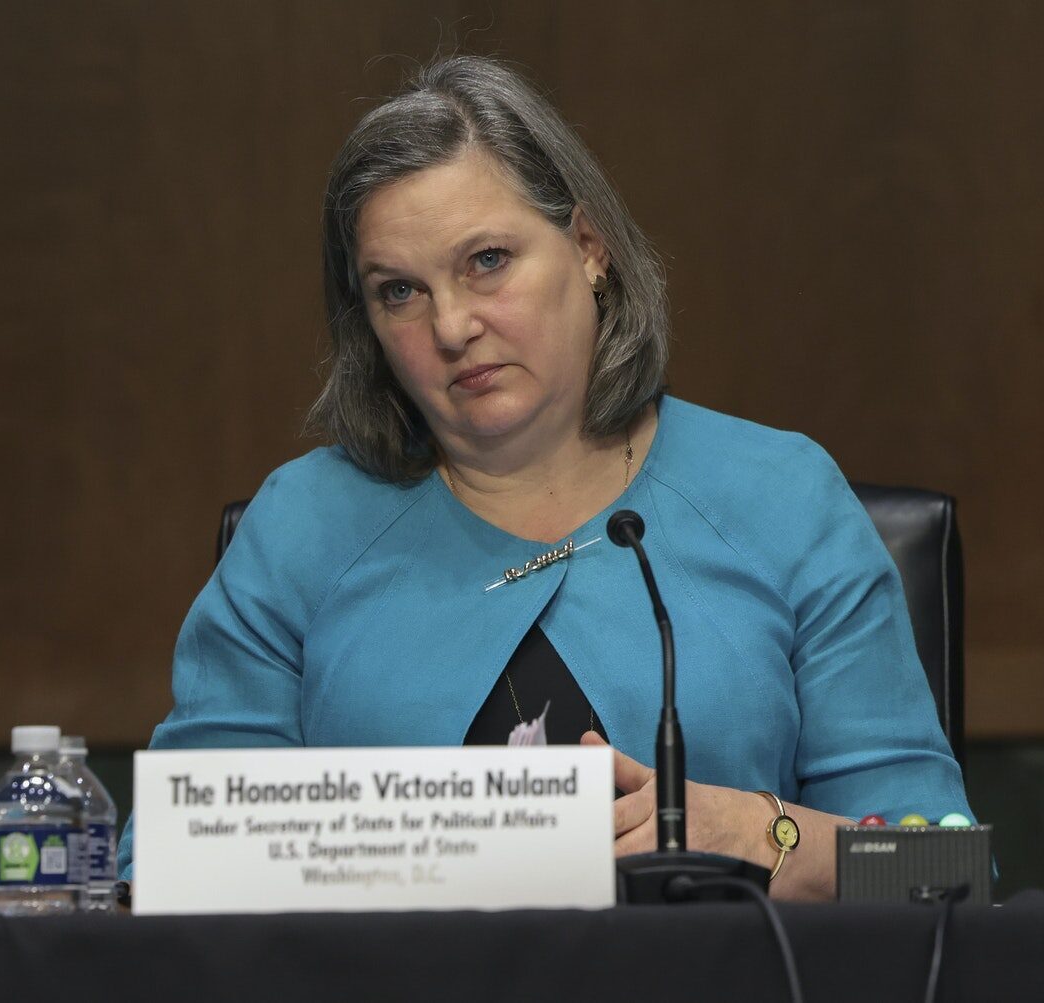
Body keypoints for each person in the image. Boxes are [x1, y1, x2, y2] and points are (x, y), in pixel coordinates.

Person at [117, 55, 972, 901]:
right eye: (400, 291)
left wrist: (766, 835)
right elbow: (160, 870)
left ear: (589, 247)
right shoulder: (302, 529)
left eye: (487, 260)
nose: (452, 326)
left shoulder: (783, 497)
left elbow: (943, 870)